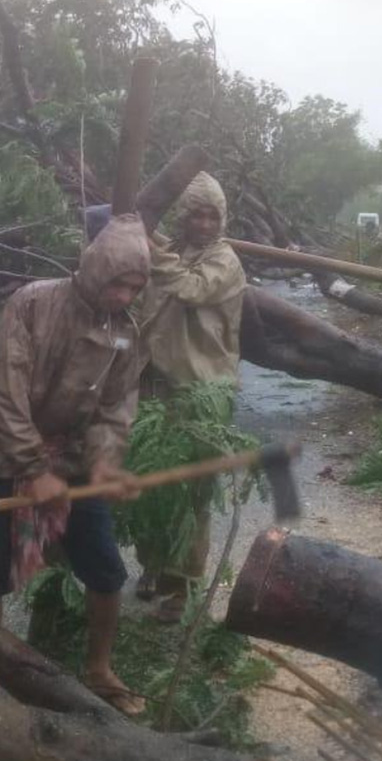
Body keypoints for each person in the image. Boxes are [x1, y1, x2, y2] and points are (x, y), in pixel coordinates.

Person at [0, 213, 151, 716]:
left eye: (135, 288)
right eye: (119, 284)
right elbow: (5, 391)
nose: (125, 297)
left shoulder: (126, 331)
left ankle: (99, 670)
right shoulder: (33, 304)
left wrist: (106, 463)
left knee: (107, 572)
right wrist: (32, 466)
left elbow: (115, 407)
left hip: (72, 460)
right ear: (94, 271)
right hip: (4, 452)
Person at [135, 171, 247, 621]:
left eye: (211, 215)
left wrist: (149, 246)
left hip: (203, 392)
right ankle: (155, 569)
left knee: (193, 496)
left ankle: (185, 588)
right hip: (155, 386)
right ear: (184, 217)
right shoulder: (176, 251)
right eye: (196, 214)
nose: (203, 223)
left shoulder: (225, 260)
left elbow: (189, 288)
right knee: (149, 485)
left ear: (220, 219)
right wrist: (139, 231)